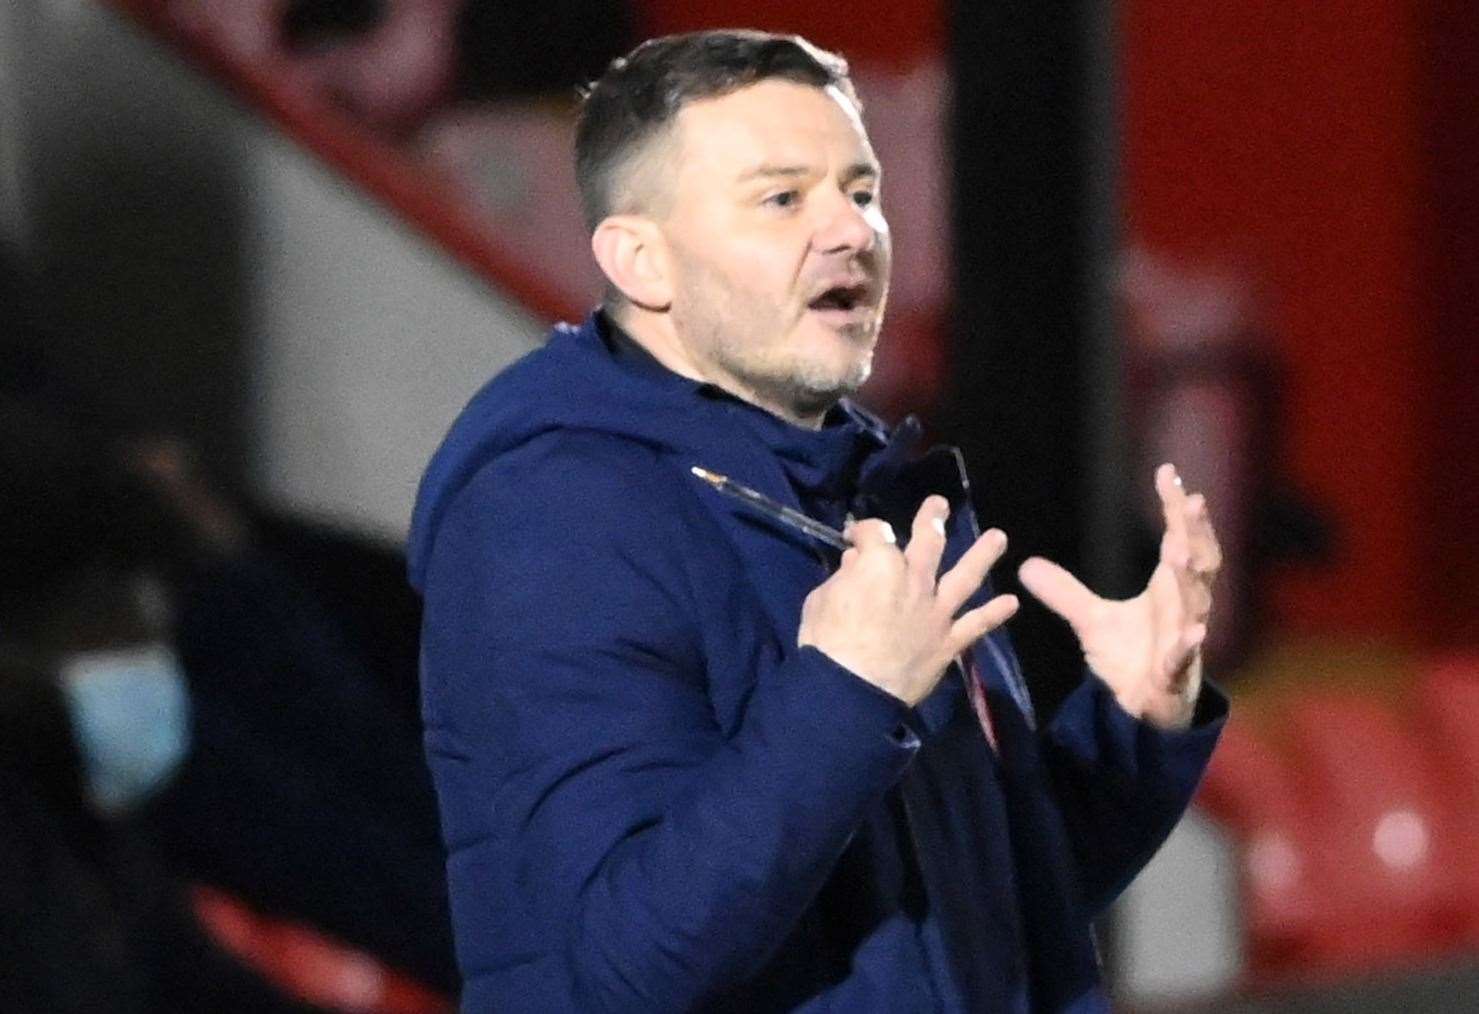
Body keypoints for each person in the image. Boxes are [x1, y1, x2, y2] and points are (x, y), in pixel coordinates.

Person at [409, 29, 1226, 1012]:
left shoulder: (868, 484)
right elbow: (619, 964)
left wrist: (1133, 723)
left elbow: (964, 925)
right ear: (640, 260)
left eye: (862, 191)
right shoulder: (551, 512)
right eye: (782, 198)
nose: (849, 232)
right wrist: (847, 692)